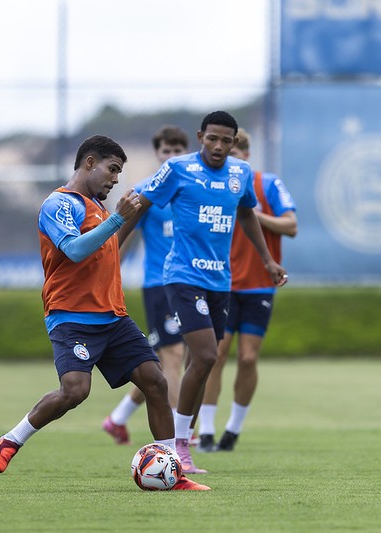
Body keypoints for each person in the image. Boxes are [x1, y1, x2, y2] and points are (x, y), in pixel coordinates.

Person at [0, 134, 209, 491]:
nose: (115, 179)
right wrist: (117, 219)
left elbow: (108, 250)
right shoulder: (60, 204)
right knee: (75, 391)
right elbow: (75, 250)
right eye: (112, 169)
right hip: (72, 315)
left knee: (155, 381)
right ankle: (11, 440)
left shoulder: (100, 211)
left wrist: (131, 217)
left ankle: (174, 474)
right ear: (89, 163)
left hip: (113, 317)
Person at [117, 111, 288, 475]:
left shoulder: (240, 174)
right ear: (201, 136)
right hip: (182, 276)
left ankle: (180, 445)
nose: (219, 146)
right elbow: (140, 203)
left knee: (201, 361)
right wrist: (112, 250)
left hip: (220, 282)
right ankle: (180, 445)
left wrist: (268, 260)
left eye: (227, 140)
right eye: (213, 138)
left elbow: (246, 215)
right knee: (208, 355)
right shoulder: (178, 169)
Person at [197, 127, 298, 452]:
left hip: (257, 288)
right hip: (221, 283)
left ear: (247, 155)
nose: (232, 155)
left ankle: (233, 430)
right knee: (216, 356)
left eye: (238, 150)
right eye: (228, 149)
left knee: (249, 358)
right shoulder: (212, 184)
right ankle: (208, 431)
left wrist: (255, 215)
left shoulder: (267, 184)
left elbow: (292, 225)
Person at [102, 126, 190, 446]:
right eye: (166, 150)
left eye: (178, 149)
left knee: (163, 364)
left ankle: (118, 418)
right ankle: (180, 442)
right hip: (160, 284)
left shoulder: (193, 189)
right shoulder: (146, 190)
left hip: (193, 283)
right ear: (158, 153)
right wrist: (108, 274)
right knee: (173, 358)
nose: (172, 155)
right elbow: (123, 237)